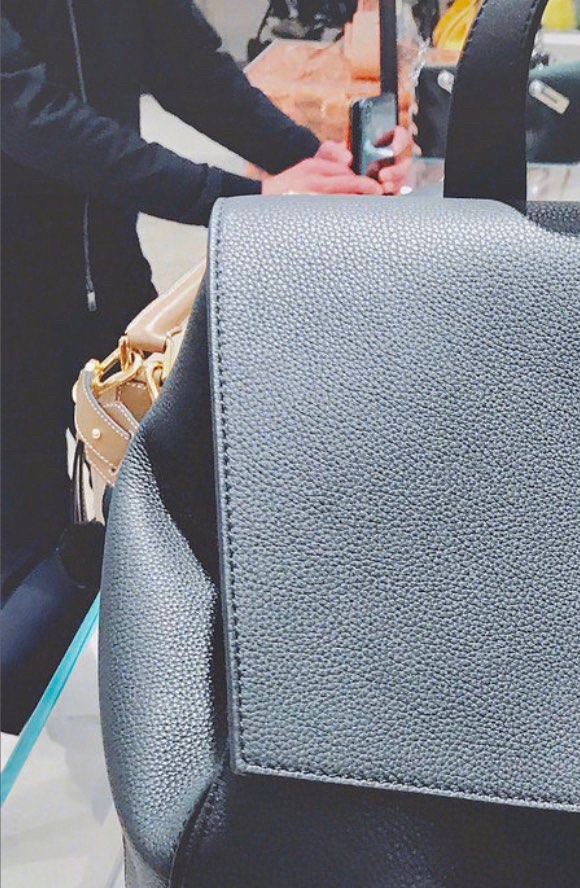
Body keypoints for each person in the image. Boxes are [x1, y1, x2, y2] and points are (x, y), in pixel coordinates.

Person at [0, 0, 410, 733]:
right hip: (10, 308)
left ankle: (156, 732)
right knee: (25, 545)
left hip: (112, 286)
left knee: (167, 519)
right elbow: (30, 115)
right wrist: (246, 198)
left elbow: (188, 65)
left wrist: (314, 164)